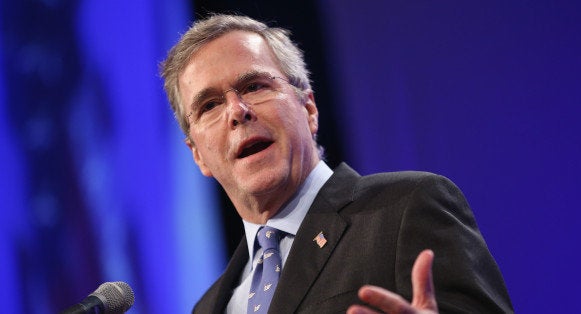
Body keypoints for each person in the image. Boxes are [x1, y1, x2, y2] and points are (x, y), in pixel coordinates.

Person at [160, 14, 513, 314]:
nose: (237, 111)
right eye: (209, 106)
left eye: (254, 86)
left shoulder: (407, 208)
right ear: (198, 155)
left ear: (309, 110)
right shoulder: (208, 307)